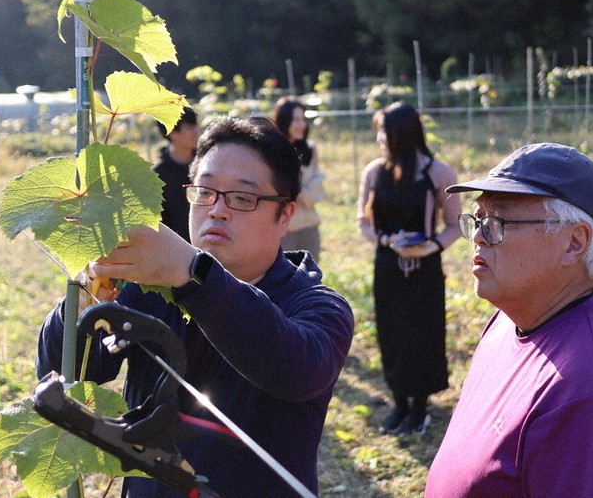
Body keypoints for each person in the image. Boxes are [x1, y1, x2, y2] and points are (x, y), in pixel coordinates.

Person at [36, 116, 355, 497]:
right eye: (204, 192)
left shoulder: (319, 308)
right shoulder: (150, 290)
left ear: (285, 215)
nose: (217, 210)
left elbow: (297, 370)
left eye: (242, 198)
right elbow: (65, 371)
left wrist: (194, 274)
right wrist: (80, 304)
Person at [425, 143, 593, 497]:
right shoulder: (509, 321)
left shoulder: (591, 395)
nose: (477, 236)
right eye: (478, 219)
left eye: (497, 222)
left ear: (574, 243)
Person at [356, 101, 461, 435]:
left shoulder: (440, 173)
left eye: (384, 133)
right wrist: (387, 241)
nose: (379, 140)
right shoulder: (374, 172)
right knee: (391, 332)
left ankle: (420, 406)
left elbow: (455, 224)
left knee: (423, 333)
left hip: (425, 267)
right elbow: (363, 221)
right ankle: (399, 401)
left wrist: (432, 246)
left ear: (403, 134)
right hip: (388, 264)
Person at [273, 97, 325, 261]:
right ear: (284, 121)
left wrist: (302, 195)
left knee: (310, 271)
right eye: (296, 120)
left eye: (303, 119)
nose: (302, 125)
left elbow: (318, 179)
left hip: (308, 225)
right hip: (282, 229)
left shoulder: (309, 149)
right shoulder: (272, 151)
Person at [153, 106, 199, 242]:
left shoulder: (206, 165)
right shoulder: (158, 177)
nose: (196, 132)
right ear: (172, 131)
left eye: (195, 126)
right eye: (190, 128)